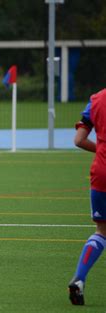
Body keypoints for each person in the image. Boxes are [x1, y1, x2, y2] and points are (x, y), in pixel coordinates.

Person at [68, 88, 106, 306]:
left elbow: (79, 140)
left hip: (100, 172)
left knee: (102, 230)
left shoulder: (96, 99)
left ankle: (79, 279)